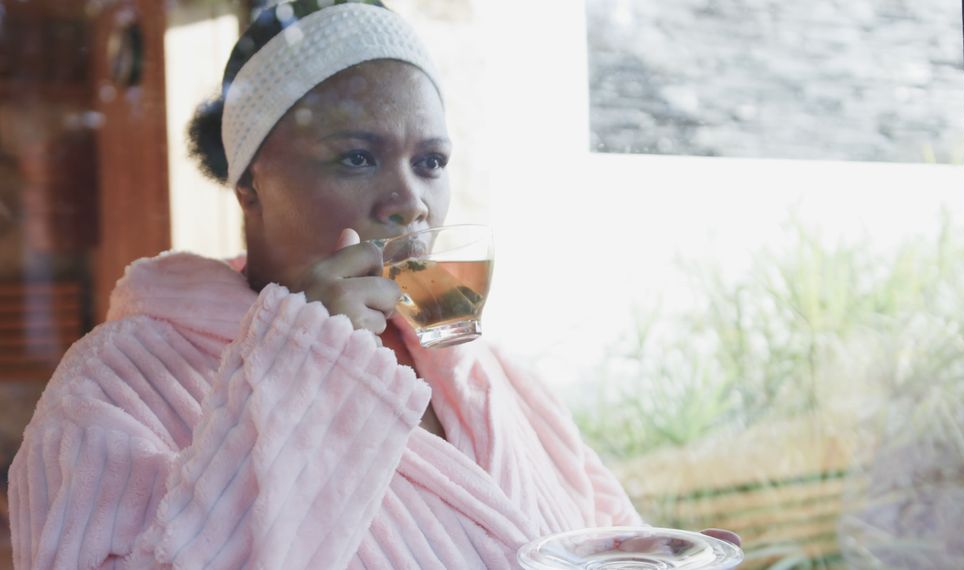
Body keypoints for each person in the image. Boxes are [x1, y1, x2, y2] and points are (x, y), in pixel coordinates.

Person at [7, 1, 737, 567]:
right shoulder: (115, 383)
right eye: (356, 158)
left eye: (432, 162)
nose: (409, 201)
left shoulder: (486, 373)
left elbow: (601, 534)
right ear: (251, 184)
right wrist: (305, 368)